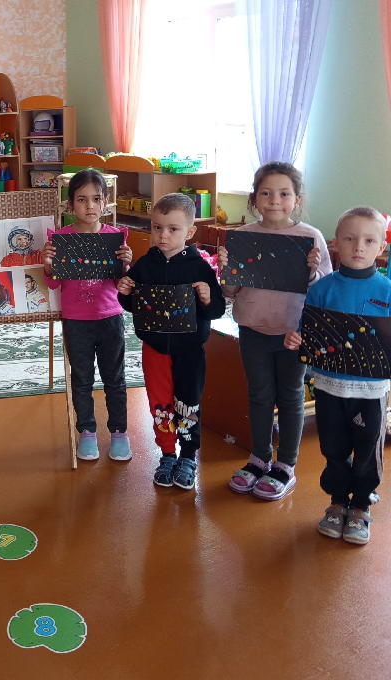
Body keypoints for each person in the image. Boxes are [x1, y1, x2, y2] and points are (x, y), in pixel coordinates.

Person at [220, 162, 332, 500]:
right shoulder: (244, 236)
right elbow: (230, 292)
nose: (274, 200)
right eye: (266, 193)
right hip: (253, 329)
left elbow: (324, 291)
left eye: (284, 194)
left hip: (293, 334)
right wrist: (227, 272)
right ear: (254, 198)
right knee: (259, 395)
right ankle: (259, 458)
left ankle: (285, 465)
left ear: (297, 199)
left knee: (291, 395)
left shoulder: (310, 237)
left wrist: (312, 271)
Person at [284, 207, 390, 544]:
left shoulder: (387, 291)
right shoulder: (322, 289)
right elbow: (307, 332)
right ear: (335, 243)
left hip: (370, 394)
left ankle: (360, 507)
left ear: (381, 247)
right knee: (332, 448)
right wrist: (296, 339)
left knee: (367, 450)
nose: (358, 246)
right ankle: (337, 503)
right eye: (350, 238)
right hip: (329, 387)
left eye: (369, 241)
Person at [119, 193, 225, 488]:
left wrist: (207, 298)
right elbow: (134, 306)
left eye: (173, 229)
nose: (163, 235)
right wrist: (125, 292)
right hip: (155, 349)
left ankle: (188, 456)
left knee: (188, 403)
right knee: (160, 404)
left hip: (189, 350)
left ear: (190, 232)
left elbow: (217, 309)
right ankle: (167, 454)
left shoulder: (200, 267)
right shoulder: (145, 264)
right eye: (157, 227)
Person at [42, 168, 133, 461]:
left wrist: (126, 265)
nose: (89, 206)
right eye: (81, 199)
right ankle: (87, 432)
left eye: (96, 199)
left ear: (105, 202)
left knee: (114, 378)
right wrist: (48, 265)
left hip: (110, 318)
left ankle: (119, 432)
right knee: (81, 378)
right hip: (76, 320)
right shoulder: (60, 239)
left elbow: (120, 282)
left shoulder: (115, 238)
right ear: (70, 205)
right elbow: (53, 283)